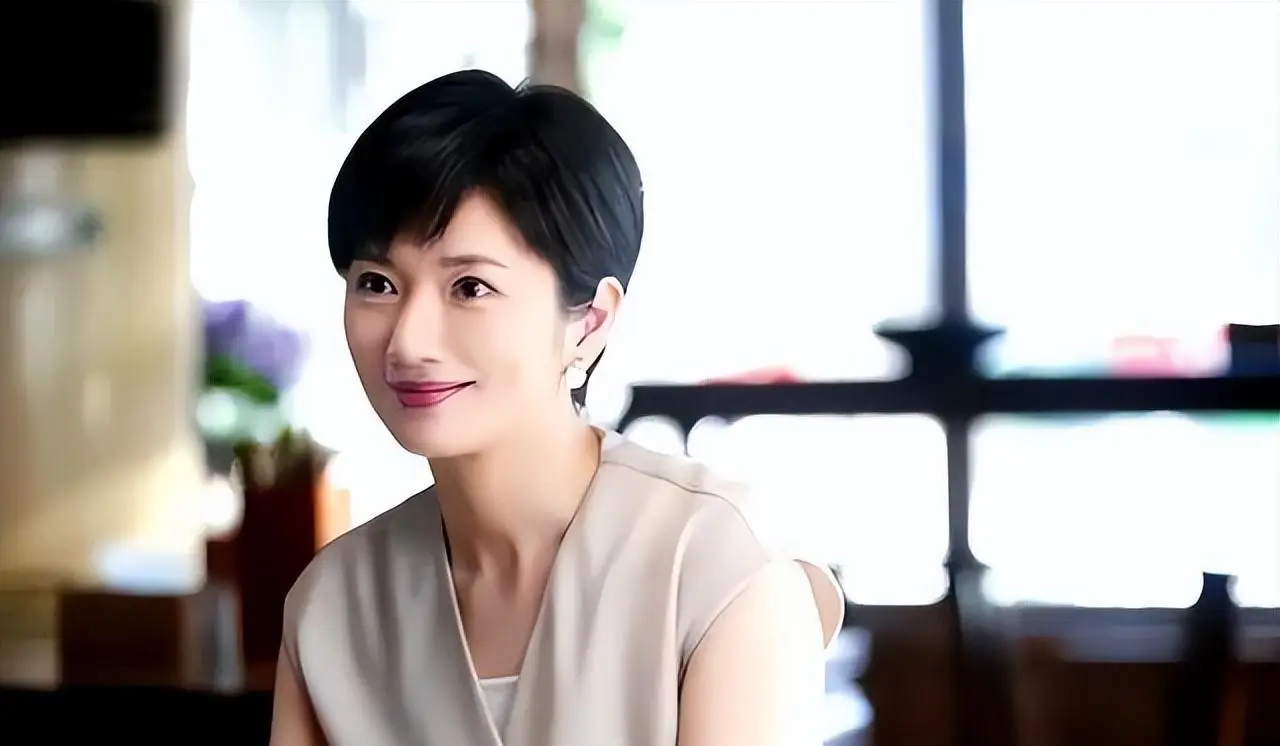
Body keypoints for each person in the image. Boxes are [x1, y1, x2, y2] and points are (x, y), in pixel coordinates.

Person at [268, 69, 844, 746]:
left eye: (470, 287)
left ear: (590, 321)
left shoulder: (719, 566)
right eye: (377, 283)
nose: (407, 342)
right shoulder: (330, 609)